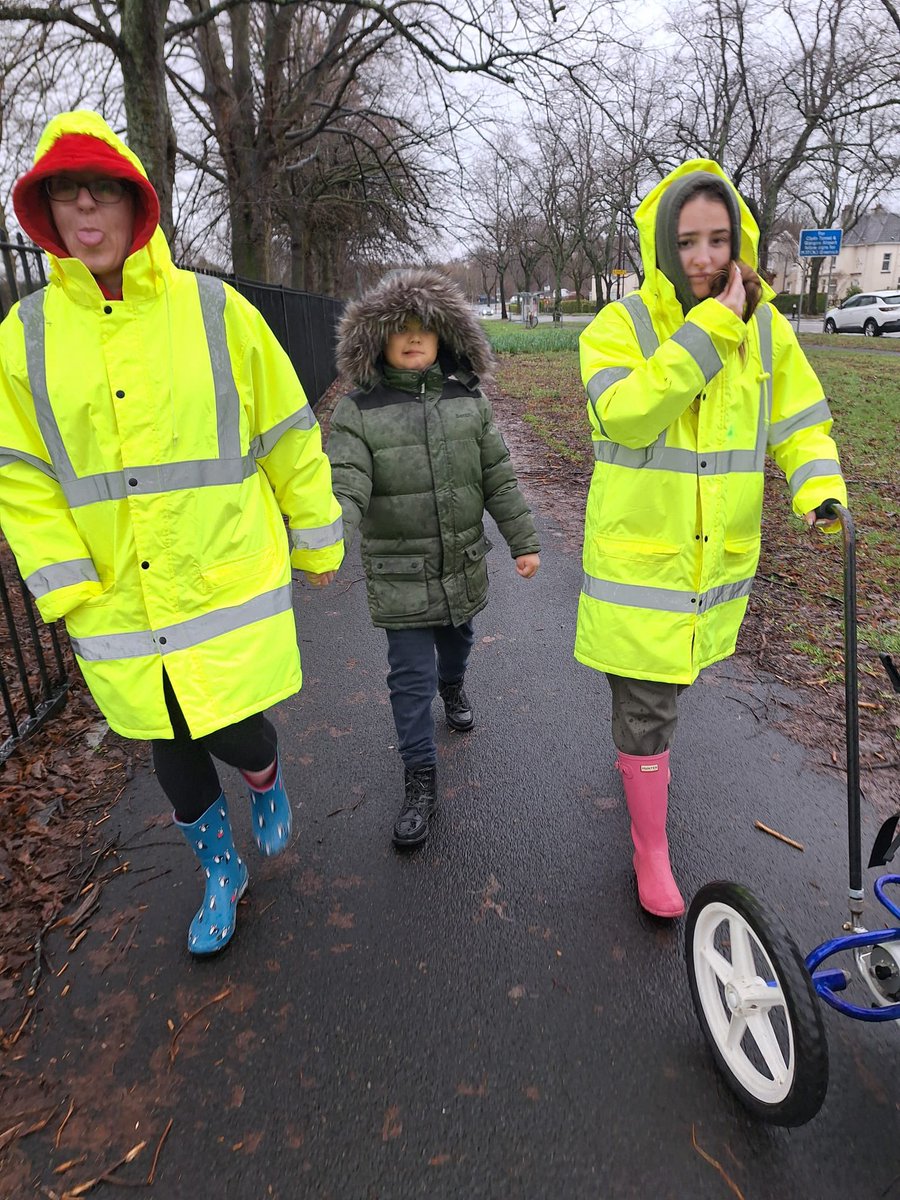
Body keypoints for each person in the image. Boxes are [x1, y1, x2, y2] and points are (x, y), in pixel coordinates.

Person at [0, 110, 344, 955]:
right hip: (116, 588)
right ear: (46, 216)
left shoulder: (215, 310)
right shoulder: (27, 335)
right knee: (166, 734)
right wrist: (63, 576)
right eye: (65, 197)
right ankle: (219, 872)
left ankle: (264, 776)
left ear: (135, 205)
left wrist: (318, 532)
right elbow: (22, 471)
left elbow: (285, 430)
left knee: (232, 724)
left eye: (101, 193)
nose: (86, 214)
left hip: (216, 571)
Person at [576, 160, 846, 919]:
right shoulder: (616, 328)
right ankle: (649, 849)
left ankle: (645, 782)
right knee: (647, 703)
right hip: (640, 567)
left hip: (712, 562)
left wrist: (819, 488)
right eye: (687, 240)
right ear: (661, 245)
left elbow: (801, 421)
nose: (702, 258)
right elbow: (627, 414)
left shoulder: (767, 329)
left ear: (739, 244)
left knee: (669, 694)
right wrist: (712, 327)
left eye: (718, 240)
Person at [327, 269, 540, 847]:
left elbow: (498, 475)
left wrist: (523, 541)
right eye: (402, 329)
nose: (415, 337)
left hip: (461, 563)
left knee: (460, 640)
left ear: (445, 336)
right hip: (400, 575)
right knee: (408, 678)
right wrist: (328, 535)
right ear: (379, 340)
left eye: (426, 327)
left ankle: (456, 685)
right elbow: (346, 481)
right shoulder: (359, 412)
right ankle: (419, 777)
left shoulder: (467, 400)